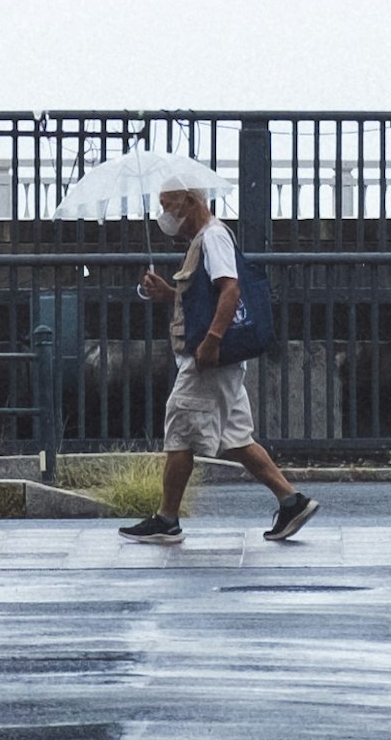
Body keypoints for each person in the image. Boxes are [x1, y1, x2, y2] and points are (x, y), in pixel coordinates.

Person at [130, 178, 317, 546]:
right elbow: (205, 299)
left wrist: (212, 341)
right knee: (235, 437)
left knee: (180, 428)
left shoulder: (212, 237)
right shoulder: (205, 241)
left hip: (207, 360)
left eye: (168, 205)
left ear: (189, 201)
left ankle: (167, 519)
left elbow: (230, 289)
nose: (164, 215)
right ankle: (291, 501)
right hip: (217, 360)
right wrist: (169, 294)